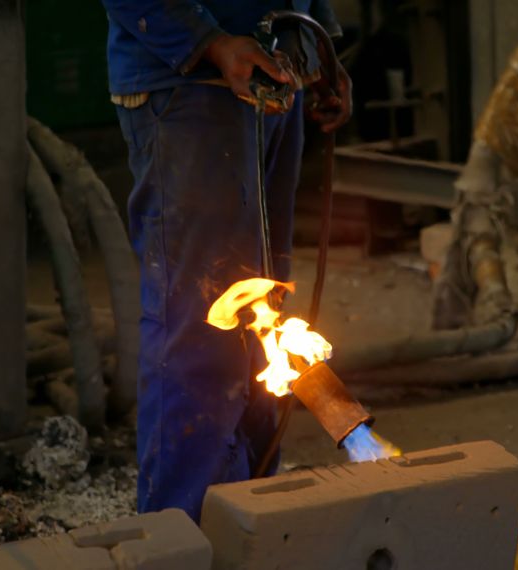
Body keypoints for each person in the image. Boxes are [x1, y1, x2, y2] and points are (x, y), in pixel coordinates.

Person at [99, 0, 352, 521]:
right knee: (204, 328)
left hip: (276, 78)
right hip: (191, 89)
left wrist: (317, 48)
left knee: (264, 318)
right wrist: (210, 42)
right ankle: (183, 534)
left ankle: (250, 524)